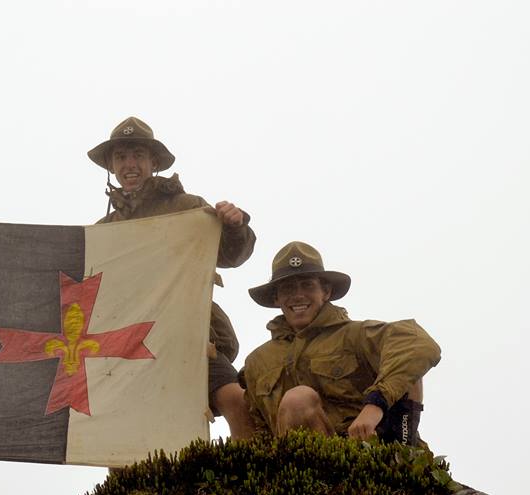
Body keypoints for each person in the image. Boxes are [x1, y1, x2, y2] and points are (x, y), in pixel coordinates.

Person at [87, 116, 257, 439]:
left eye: (137, 154)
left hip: (189, 335)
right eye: (121, 157)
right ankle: (127, 492)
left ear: (153, 161)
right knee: (120, 430)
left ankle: (254, 481)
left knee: (236, 400)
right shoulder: (102, 232)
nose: (130, 164)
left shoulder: (187, 208)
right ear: (111, 165)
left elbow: (232, 255)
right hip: (128, 345)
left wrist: (235, 225)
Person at [241, 241, 441, 444]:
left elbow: (418, 344)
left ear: (326, 292)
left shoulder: (354, 335)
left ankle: (403, 448)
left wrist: (375, 406)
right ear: (276, 298)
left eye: (307, 285)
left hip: (370, 452)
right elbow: (257, 429)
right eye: (288, 288)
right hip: (297, 467)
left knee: (406, 366)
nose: (298, 295)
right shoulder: (257, 362)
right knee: (298, 401)